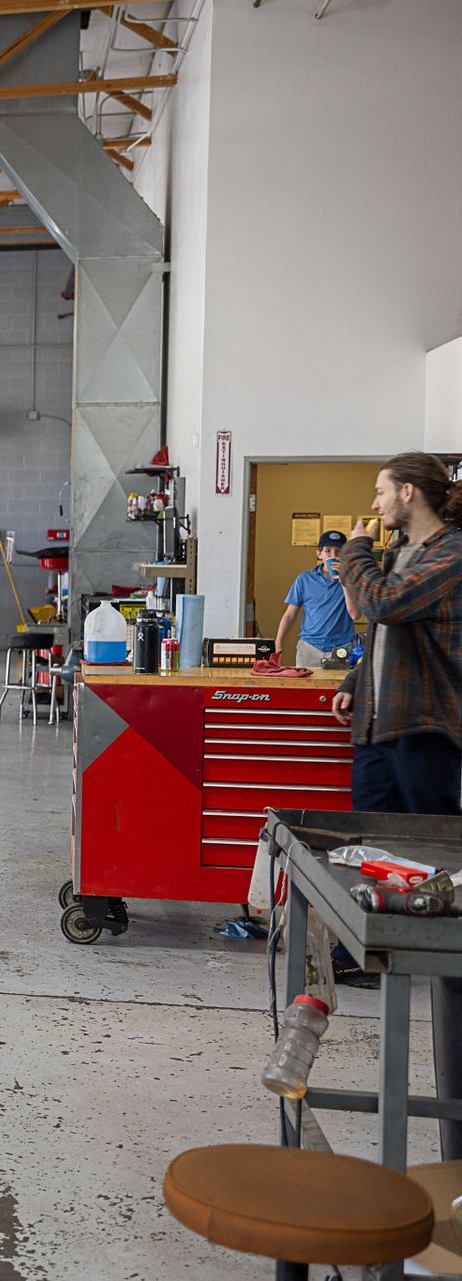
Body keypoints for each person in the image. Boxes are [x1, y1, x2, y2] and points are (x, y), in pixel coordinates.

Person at [332, 450, 462, 1156]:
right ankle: (386, 954)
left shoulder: (449, 552)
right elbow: (382, 628)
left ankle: (443, 978)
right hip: (380, 724)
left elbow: (379, 603)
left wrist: (353, 549)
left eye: (381, 492)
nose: (375, 503)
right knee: (372, 851)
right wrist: (358, 676)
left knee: (432, 860)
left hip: (425, 728)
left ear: (409, 491)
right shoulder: (407, 549)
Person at [274, 530, 356, 667]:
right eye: (327, 551)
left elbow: (355, 614)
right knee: (305, 688)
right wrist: (278, 643)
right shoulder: (304, 579)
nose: (333, 555)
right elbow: (289, 614)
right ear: (319, 554)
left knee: (340, 688)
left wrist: (344, 580)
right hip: (309, 648)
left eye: (338, 551)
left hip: (342, 648)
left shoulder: (352, 579)